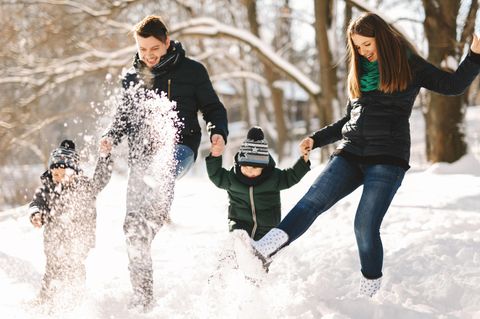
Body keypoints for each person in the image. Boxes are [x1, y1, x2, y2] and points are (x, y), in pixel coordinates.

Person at [247, 12, 480, 297]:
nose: (362, 51)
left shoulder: (410, 65)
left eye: (367, 45)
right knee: (311, 202)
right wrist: (316, 139)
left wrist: (475, 53)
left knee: (364, 225)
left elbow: (452, 86)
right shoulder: (359, 72)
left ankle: (369, 293)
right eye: (357, 46)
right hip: (351, 150)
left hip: (388, 157)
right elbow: (349, 119)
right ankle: (261, 252)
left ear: (382, 38)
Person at [99, 15, 228, 310]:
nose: (149, 55)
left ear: (167, 42)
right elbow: (123, 117)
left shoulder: (193, 71)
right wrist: (110, 136)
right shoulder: (133, 76)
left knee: (161, 170)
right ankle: (142, 298)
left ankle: (153, 212)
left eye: (154, 48)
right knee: (133, 229)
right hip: (140, 158)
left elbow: (212, 108)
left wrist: (218, 132)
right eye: (143, 49)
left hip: (179, 150)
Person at [29, 139, 113, 311]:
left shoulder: (85, 187)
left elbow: (100, 179)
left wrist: (104, 158)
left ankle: (74, 300)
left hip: (79, 237)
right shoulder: (48, 187)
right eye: (55, 174)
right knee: (52, 269)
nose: (58, 178)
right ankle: (46, 300)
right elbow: (37, 202)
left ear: (74, 172)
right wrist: (36, 214)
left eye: (63, 174)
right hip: (53, 237)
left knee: (73, 267)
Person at [206, 126, 311, 241]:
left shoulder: (273, 178)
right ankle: (234, 255)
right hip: (239, 224)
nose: (249, 170)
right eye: (245, 166)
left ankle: (261, 256)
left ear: (264, 167)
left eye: (255, 167)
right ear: (239, 164)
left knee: (261, 250)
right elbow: (216, 175)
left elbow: (291, 176)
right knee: (240, 241)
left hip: (267, 226)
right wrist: (215, 155)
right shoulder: (232, 178)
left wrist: (303, 159)